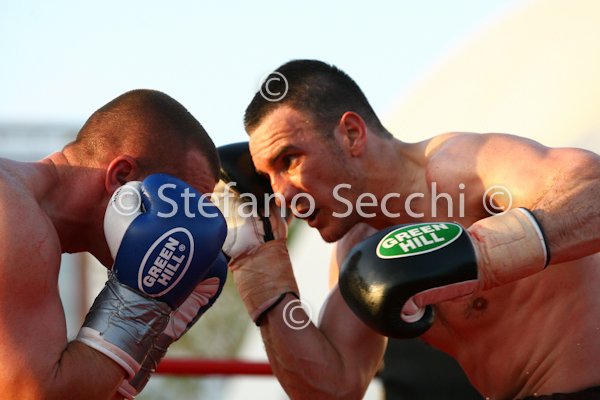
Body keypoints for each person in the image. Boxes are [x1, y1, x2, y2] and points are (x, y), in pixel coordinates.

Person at [226, 59, 600, 400]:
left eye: (289, 160)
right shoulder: (360, 251)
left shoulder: (460, 167)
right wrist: (257, 266)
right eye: (267, 178)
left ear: (351, 134)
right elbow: (333, 390)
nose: (281, 194)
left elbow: (592, 190)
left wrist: (480, 254)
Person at [0, 89, 228, 399]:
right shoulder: (13, 212)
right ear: (122, 177)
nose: (188, 231)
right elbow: (35, 396)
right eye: (177, 204)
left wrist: (151, 333)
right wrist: (139, 305)